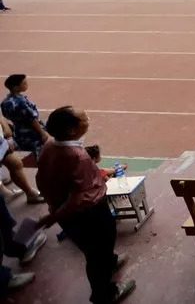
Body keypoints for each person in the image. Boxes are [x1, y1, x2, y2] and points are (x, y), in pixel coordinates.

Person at [37, 107, 136, 303]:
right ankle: (104, 294)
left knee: (99, 249)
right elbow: (79, 196)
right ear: (71, 130)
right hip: (88, 213)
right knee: (96, 253)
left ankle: (110, 261)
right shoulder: (77, 156)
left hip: (65, 210)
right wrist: (54, 216)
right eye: (83, 119)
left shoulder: (49, 145)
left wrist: (54, 208)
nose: (88, 119)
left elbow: (42, 179)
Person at [1, 74, 50, 159]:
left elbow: (6, 116)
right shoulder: (21, 102)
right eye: (24, 83)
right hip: (32, 133)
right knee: (42, 156)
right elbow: (32, 119)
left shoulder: (5, 102)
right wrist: (42, 133)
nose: (26, 85)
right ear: (16, 87)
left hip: (18, 132)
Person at [0, 116, 44, 202]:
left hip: (2, 143)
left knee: (15, 164)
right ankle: (3, 191)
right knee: (15, 164)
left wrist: (6, 138)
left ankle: (30, 193)